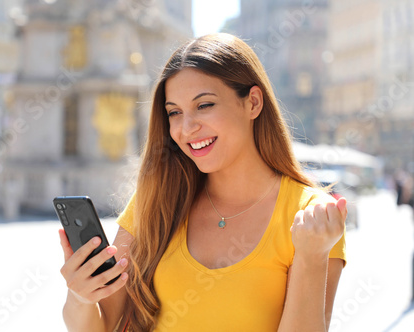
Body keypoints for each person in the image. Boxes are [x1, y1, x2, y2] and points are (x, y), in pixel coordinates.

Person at [59, 33, 347, 332]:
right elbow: (102, 327)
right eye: (174, 112)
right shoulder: (155, 200)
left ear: (253, 103)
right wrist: (80, 295)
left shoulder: (312, 219)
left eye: (205, 105)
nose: (187, 128)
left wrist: (312, 258)